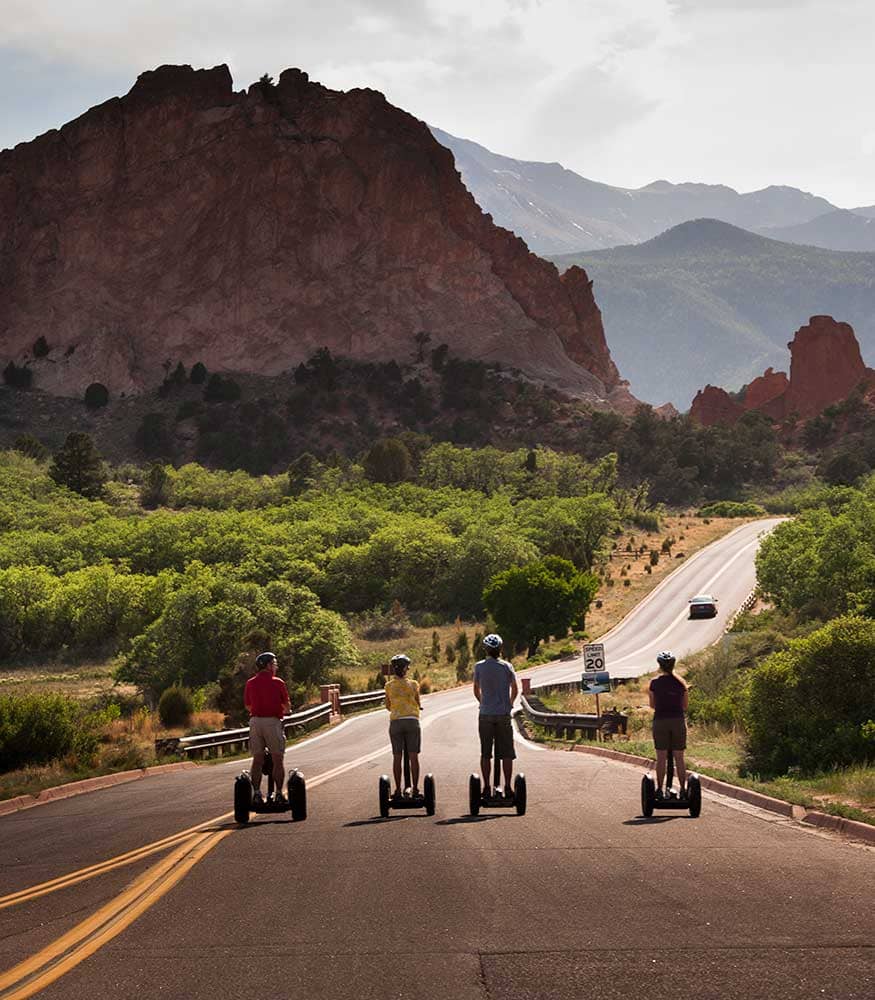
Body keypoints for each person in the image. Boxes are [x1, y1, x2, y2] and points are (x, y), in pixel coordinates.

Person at [473, 633, 519, 799]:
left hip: (485, 714)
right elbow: (515, 688)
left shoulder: (479, 667)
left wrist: (482, 702)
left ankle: (486, 787)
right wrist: (510, 703)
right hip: (503, 714)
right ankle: (507, 786)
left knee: (486, 753)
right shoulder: (507, 666)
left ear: (486, 649)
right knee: (507, 752)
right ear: (500, 649)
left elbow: (476, 689)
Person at [244, 651, 291, 804]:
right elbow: (286, 706)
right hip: (272, 722)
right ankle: (278, 793)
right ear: (269, 665)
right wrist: (284, 711)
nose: (276, 666)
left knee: (257, 759)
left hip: (255, 723)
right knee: (277, 759)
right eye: (274, 664)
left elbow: (248, 705)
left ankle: (257, 793)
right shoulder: (278, 682)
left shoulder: (250, 683)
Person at [648, 650, 689, 798]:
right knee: (679, 757)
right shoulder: (681, 684)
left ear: (660, 665)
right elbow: (685, 706)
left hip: (660, 721)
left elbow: (652, 705)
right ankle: (683, 791)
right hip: (677, 721)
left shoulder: (654, 683)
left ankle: (659, 790)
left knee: (661, 757)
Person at [384, 653, 422, 799]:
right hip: (412, 721)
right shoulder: (414, 684)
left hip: (396, 723)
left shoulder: (388, 686)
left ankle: (398, 790)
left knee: (397, 756)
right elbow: (418, 702)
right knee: (413, 756)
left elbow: (388, 705)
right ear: (406, 669)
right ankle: (416, 789)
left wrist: (397, 710)